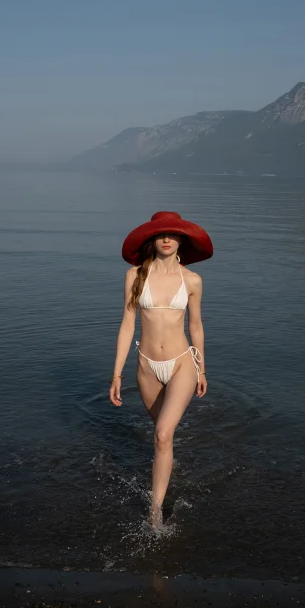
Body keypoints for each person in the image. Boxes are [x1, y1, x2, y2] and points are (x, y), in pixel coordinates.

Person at [109, 211, 213, 529]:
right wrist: (116, 374)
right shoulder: (135, 275)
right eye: (160, 235)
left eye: (172, 234)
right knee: (162, 436)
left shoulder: (192, 280)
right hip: (147, 367)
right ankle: (168, 468)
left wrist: (202, 369)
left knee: (163, 433)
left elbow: (196, 325)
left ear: (181, 240)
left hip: (182, 364)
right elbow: (127, 325)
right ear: (152, 240)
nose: (166, 239)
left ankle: (154, 515)